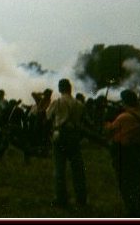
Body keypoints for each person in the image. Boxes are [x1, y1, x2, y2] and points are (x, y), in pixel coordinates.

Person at [104, 89, 140, 217]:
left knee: (126, 184)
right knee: (136, 184)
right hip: (137, 152)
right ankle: (138, 210)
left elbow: (109, 130)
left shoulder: (124, 117)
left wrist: (107, 118)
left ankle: (132, 211)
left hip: (125, 154)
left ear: (125, 102)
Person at [46, 79, 86, 208]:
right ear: (70, 88)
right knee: (78, 169)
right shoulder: (79, 104)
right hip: (74, 136)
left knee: (59, 169)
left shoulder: (57, 102)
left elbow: (48, 116)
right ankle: (81, 198)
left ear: (59, 89)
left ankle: (61, 198)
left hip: (60, 136)